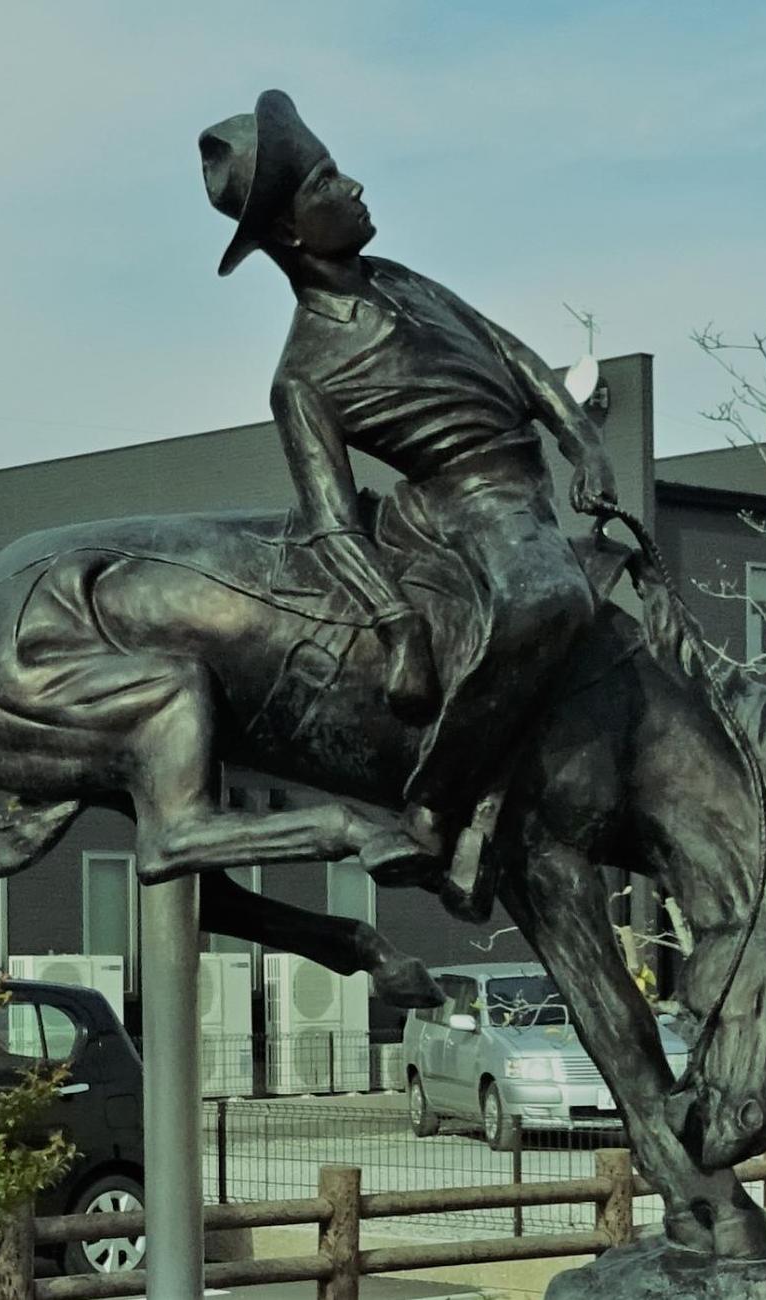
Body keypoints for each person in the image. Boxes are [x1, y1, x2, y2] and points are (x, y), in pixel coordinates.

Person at [199, 90, 617, 915]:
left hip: (527, 484)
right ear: (290, 230)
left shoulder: (401, 279)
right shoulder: (303, 376)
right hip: (468, 502)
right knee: (547, 601)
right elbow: (330, 521)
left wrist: (584, 442)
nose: (353, 186)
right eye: (326, 181)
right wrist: (397, 627)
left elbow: (512, 354)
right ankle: (433, 813)